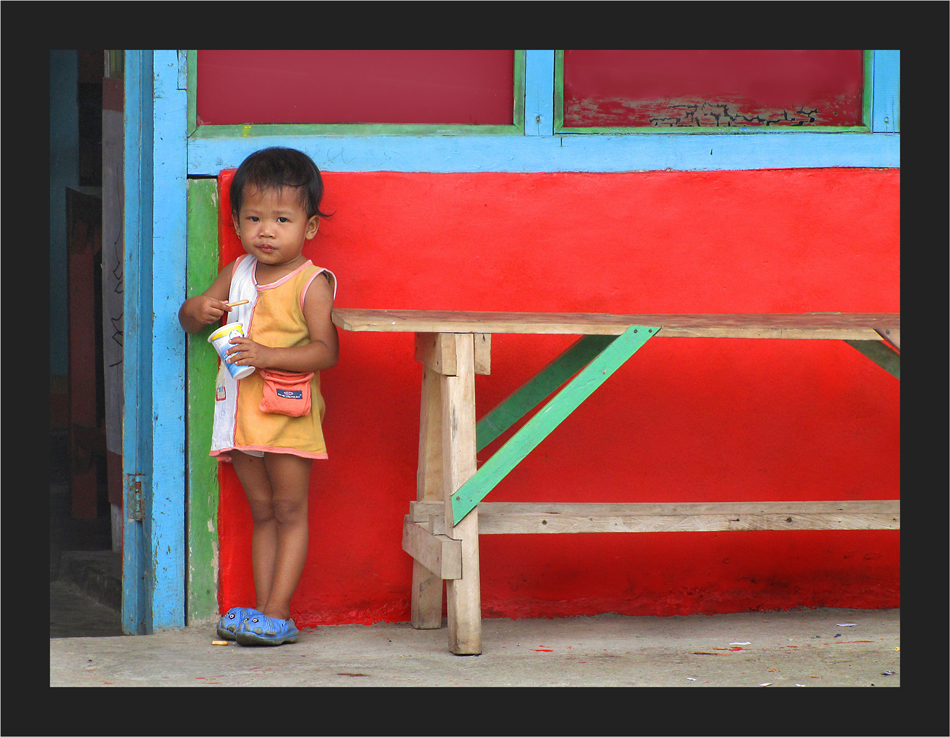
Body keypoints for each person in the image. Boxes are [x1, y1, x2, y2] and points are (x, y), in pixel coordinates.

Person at [179, 147, 338, 646]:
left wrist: (266, 353)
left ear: (308, 228)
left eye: (282, 219)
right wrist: (199, 307)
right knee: (263, 513)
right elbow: (188, 320)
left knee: (290, 512)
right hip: (241, 419)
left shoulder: (311, 283)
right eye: (253, 218)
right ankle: (266, 613)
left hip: (287, 416)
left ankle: (277, 611)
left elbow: (325, 352)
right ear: (236, 220)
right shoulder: (238, 271)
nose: (266, 230)